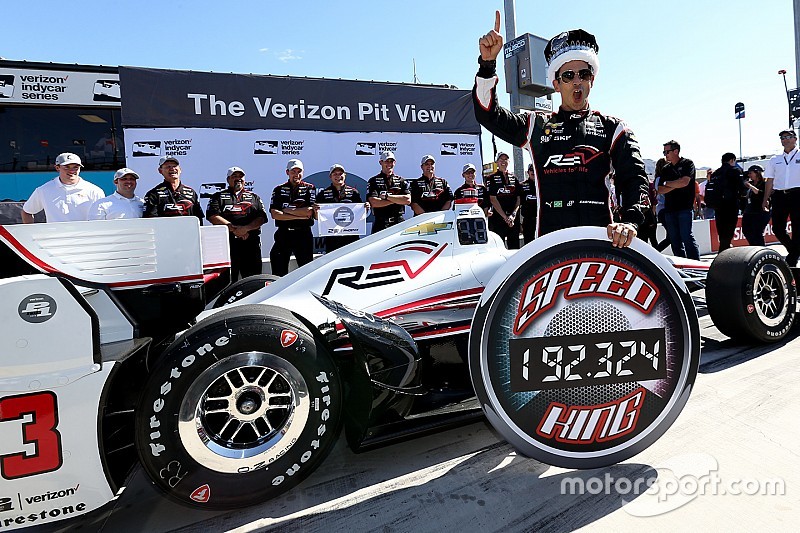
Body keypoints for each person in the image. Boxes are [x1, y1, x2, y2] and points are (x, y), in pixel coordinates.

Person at [474, 13, 649, 248]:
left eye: (584, 74)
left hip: (602, 245)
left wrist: (630, 222)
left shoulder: (614, 128)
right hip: (550, 249)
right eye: (568, 76)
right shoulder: (536, 126)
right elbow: (488, 114)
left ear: (592, 80)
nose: (577, 81)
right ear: (556, 84)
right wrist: (487, 66)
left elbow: (634, 178)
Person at [206, 166, 268, 280]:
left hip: (250, 243)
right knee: (227, 280)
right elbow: (213, 216)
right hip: (227, 245)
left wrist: (246, 229)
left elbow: (262, 218)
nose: (238, 179)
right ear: (228, 179)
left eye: (241, 176)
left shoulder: (254, 197)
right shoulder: (217, 197)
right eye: (234, 176)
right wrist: (235, 230)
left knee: (253, 279)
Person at [22, 152, 105, 223]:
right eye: (67, 167)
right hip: (55, 240)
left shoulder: (95, 191)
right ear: (57, 168)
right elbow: (27, 212)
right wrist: (31, 234)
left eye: (75, 167)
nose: (72, 171)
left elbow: (103, 218)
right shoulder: (43, 190)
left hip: (84, 239)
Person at [269, 159, 316, 276]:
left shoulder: (310, 188)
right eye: (293, 171)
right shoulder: (278, 189)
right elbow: (275, 214)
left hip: (303, 235)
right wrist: (300, 215)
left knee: (306, 271)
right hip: (283, 234)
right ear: (287, 172)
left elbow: (309, 212)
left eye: (299, 171)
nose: (296, 174)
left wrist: (287, 211)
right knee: (278, 269)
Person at [763, 129, 800, 266]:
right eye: (782, 137)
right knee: (777, 228)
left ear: (795, 139)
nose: (785, 140)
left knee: (797, 228)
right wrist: (765, 198)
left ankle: (792, 259)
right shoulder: (775, 159)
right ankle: (794, 251)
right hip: (779, 195)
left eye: (788, 137)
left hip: (798, 194)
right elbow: (769, 180)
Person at [658, 141, 699, 259]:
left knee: (687, 237)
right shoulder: (666, 169)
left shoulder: (687, 164)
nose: (665, 154)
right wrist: (676, 184)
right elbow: (660, 189)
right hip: (669, 210)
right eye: (664, 152)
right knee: (675, 240)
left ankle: (696, 264)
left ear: (676, 151)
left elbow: (684, 182)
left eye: (667, 152)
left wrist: (668, 184)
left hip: (685, 208)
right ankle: (682, 266)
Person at [316, 163, 365, 253]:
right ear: (330, 176)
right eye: (335, 174)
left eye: (340, 174)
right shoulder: (323, 194)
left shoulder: (354, 193)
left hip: (351, 236)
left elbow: (361, 214)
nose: (338, 176)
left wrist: (366, 208)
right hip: (332, 237)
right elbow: (316, 217)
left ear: (345, 175)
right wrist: (316, 211)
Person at [143, 156, 204, 221]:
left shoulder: (191, 192)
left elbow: (198, 219)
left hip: (188, 230)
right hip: (165, 230)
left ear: (180, 169)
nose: (172, 169)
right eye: (168, 167)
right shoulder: (153, 194)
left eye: (175, 166)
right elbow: (151, 220)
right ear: (160, 171)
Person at [710, 152, 746, 252]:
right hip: (731, 205)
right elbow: (742, 188)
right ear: (732, 160)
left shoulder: (716, 173)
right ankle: (723, 252)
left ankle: (723, 248)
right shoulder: (735, 170)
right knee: (729, 230)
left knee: (721, 231)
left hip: (718, 206)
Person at [367, 151, 410, 233]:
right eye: (387, 161)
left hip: (398, 221)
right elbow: (374, 202)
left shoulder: (401, 181)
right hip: (381, 222)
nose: (389, 164)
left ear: (395, 163)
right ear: (381, 162)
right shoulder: (373, 181)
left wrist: (387, 197)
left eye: (391, 161)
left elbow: (407, 200)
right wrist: (397, 200)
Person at [485, 152, 521, 249]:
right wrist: (505, 217)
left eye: (506, 160)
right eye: (501, 160)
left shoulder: (514, 178)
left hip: (512, 220)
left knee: (515, 248)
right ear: (497, 162)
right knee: (498, 248)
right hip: (498, 219)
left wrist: (513, 215)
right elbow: (493, 199)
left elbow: (518, 198)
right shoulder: (490, 178)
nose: (503, 162)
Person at [742, 164, 771, 247]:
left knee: (757, 232)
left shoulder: (764, 184)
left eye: (751, 173)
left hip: (760, 211)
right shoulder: (749, 183)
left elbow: (761, 193)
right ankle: (754, 246)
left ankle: (761, 248)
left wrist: (751, 187)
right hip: (749, 210)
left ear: (757, 173)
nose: (749, 175)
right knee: (746, 230)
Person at [519, 163, 538, 244]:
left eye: (534, 169)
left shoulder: (543, 185)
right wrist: (520, 223)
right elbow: (518, 204)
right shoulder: (522, 185)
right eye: (531, 170)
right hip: (528, 220)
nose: (533, 172)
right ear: (528, 172)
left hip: (541, 220)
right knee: (529, 244)